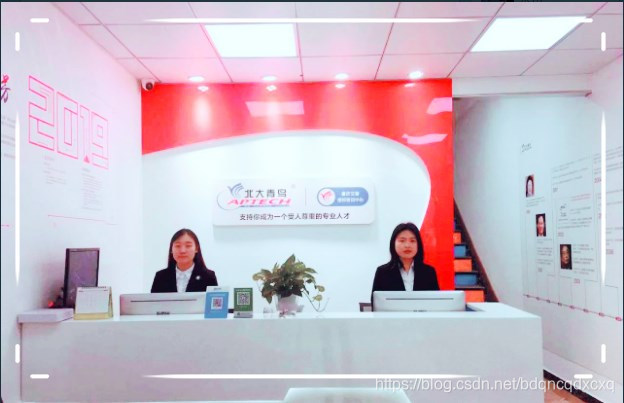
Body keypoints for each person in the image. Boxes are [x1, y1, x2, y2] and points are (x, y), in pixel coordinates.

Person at [371, 223, 439, 307]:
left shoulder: (429, 272)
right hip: (393, 315)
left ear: (418, 244)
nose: (407, 245)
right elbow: (376, 305)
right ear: (393, 243)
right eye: (402, 240)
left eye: (412, 241)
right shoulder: (383, 272)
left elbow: (436, 303)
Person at [151, 228, 218, 293]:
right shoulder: (160, 277)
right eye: (178, 246)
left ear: (196, 248)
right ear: (171, 249)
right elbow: (153, 300)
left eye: (188, 246)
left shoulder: (208, 277)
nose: (182, 251)